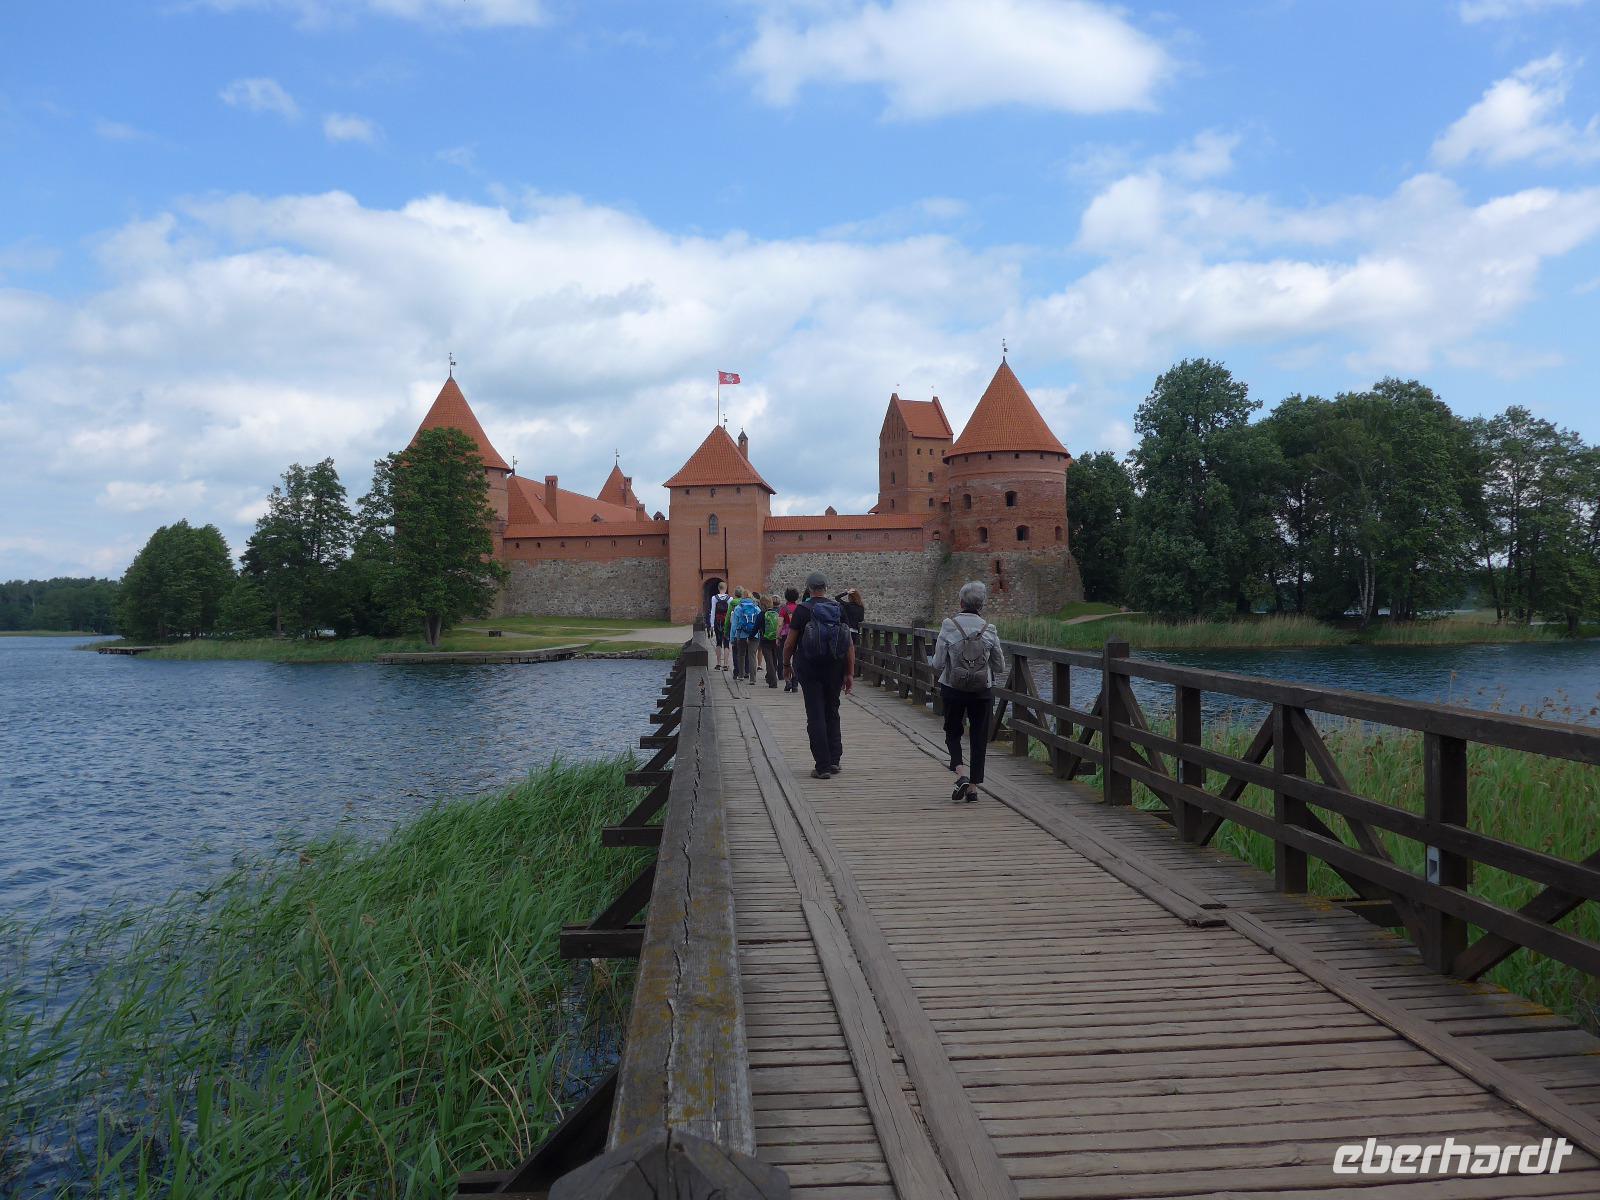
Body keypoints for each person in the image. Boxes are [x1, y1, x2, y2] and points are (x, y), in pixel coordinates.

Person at [931, 580, 1006, 803]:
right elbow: (1000, 666)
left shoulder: (949, 625)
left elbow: (937, 663)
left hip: (953, 688)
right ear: (981, 605)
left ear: (961, 603)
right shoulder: (989, 629)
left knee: (952, 731)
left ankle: (961, 773)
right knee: (979, 737)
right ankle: (973, 788)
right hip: (982, 691)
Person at [783, 572, 855, 778]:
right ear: (826, 588)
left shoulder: (802, 610)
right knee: (832, 711)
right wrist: (850, 673)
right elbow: (849, 645)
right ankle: (834, 760)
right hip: (835, 667)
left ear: (808, 588)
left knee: (815, 714)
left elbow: (789, 643)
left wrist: (786, 664)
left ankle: (822, 766)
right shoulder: (838, 608)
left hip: (809, 668)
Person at [729, 587, 763, 682]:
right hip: (754, 635)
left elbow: (734, 625)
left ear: (742, 597)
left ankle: (741, 675)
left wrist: (732, 638)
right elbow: (760, 622)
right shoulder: (756, 608)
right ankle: (753, 679)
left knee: (741, 655)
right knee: (752, 656)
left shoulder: (738, 608)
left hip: (741, 635)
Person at [777, 587, 801, 692]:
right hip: (798, 635)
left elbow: (780, 624)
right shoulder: (799, 608)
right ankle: (795, 684)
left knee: (785, 659)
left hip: (786, 635)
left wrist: (777, 636)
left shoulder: (783, 608)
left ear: (786, 597)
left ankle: (788, 681)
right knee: (796, 659)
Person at [758, 594, 782, 688]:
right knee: (774, 659)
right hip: (775, 638)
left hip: (765, 639)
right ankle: (770, 677)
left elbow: (756, 627)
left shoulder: (761, 614)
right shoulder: (777, 613)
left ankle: (773, 682)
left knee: (769, 661)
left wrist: (751, 636)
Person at [708, 583, 732, 671]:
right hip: (726, 623)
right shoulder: (730, 599)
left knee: (718, 643)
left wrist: (711, 625)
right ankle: (725, 664)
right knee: (726, 643)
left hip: (717, 622)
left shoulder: (714, 598)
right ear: (726, 588)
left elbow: (713, 611)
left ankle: (718, 663)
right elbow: (730, 613)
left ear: (718, 588)